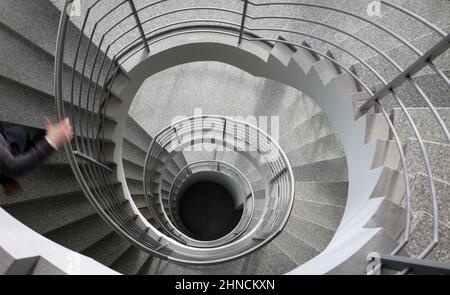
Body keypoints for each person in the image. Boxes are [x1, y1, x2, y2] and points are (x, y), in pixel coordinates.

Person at [0, 117, 73, 195]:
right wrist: (52, 141)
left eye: (42, 140)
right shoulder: (19, 135)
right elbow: (13, 166)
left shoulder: (18, 135)